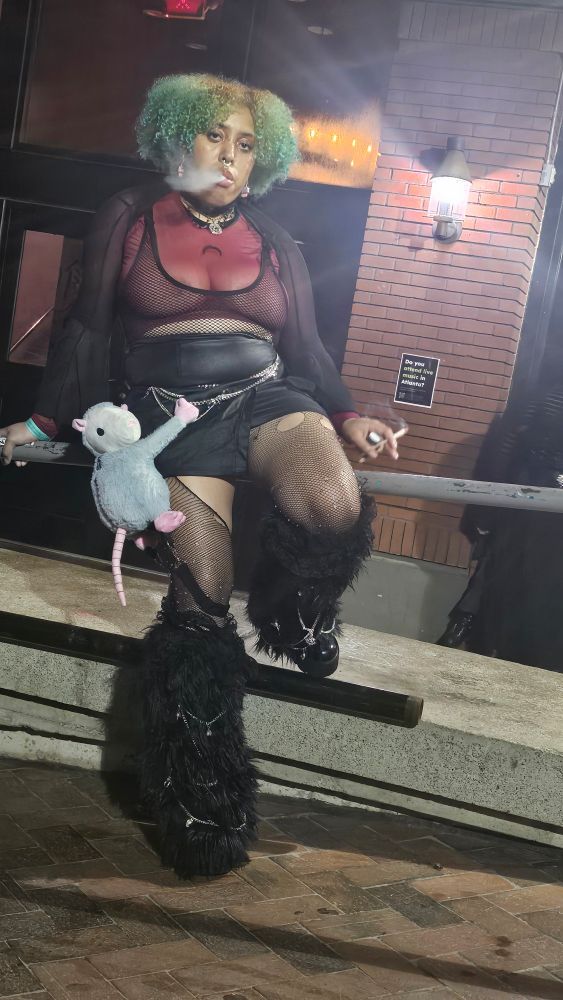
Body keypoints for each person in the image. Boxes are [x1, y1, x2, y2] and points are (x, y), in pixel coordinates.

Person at [0, 74, 401, 878]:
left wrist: (349, 411)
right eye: (214, 135)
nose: (228, 156)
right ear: (176, 137)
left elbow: (307, 348)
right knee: (199, 603)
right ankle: (201, 803)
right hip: (171, 415)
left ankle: (294, 614)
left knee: (332, 503)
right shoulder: (127, 216)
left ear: (262, 159)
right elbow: (88, 329)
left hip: (268, 397)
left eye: (246, 144)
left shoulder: (275, 239)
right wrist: (45, 423)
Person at [437, 379, 563, 671]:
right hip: (538, 506)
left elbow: (506, 445)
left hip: (527, 498)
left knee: (508, 573)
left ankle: (470, 625)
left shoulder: (543, 391)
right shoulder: (545, 394)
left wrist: (487, 511)